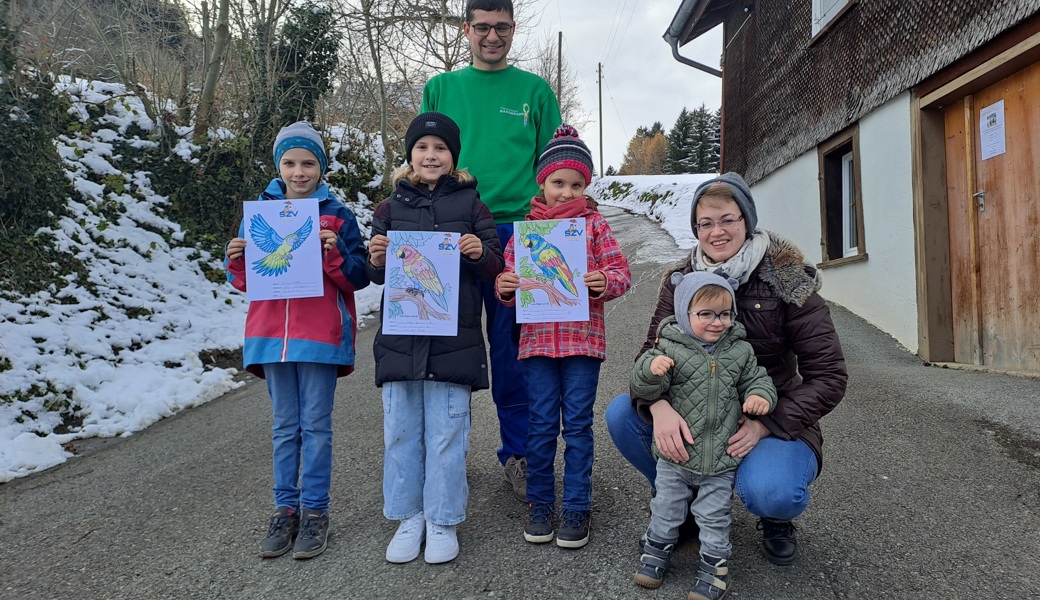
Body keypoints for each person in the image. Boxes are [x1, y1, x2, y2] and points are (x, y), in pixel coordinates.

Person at [604, 172, 848, 566]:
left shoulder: (786, 280)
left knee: (773, 491)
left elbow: (829, 376)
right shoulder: (680, 282)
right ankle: (681, 502)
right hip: (697, 410)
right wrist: (658, 406)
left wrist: (766, 424)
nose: (716, 232)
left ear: (746, 220)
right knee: (621, 414)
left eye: (728, 219)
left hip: (768, 413)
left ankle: (774, 517)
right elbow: (649, 354)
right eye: (705, 223)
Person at [421, 0, 563, 501]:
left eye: (501, 27)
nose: (492, 36)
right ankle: (445, 458)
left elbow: (554, 169)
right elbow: (425, 161)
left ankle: (519, 454)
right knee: (449, 346)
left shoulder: (535, 91)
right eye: (482, 27)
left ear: (513, 29)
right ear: (466, 30)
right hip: (452, 232)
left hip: (518, 235)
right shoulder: (440, 89)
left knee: (511, 352)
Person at [225, 121, 370, 560]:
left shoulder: (338, 214)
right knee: (284, 428)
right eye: (289, 162)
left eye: (308, 162)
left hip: (319, 336)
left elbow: (359, 275)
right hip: (270, 336)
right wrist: (235, 260)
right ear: (278, 165)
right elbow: (248, 280)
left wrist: (333, 252)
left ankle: (315, 512)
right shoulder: (261, 212)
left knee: (317, 428)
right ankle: (285, 509)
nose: (299, 171)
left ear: (321, 167)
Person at [366, 112, 504, 565]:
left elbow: (498, 266)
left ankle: (443, 519)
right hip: (401, 342)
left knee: (447, 434)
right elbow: (373, 271)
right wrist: (377, 255)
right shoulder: (389, 207)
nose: (431, 155)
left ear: (453, 157)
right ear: (410, 154)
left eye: (440, 148)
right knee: (400, 433)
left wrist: (480, 251)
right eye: (423, 147)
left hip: (453, 342)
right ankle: (409, 517)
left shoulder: (472, 205)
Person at [495, 125, 631, 548]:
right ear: (543, 182)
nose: (567, 192)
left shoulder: (595, 227)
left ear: (586, 186)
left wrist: (602, 281)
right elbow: (509, 278)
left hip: (582, 343)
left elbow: (622, 273)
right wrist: (505, 285)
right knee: (539, 425)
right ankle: (540, 502)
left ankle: (576, 504)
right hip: (536, 345)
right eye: (558, 182)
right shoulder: (526, 232)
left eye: (576, 184)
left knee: (576, 426)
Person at [631, 271, 776, 598]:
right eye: (706, 314)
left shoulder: (739, 351)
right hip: (675, 457)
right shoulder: (668, 345)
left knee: (715, 518)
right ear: (685, 313)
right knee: (665, 507)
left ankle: (714, 568)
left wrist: (760, 397)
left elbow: (758, 379)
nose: (717, 322)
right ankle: (655, 553)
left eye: (725, 314)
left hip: (721, 461)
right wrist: (651, 373)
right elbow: (640, 383)